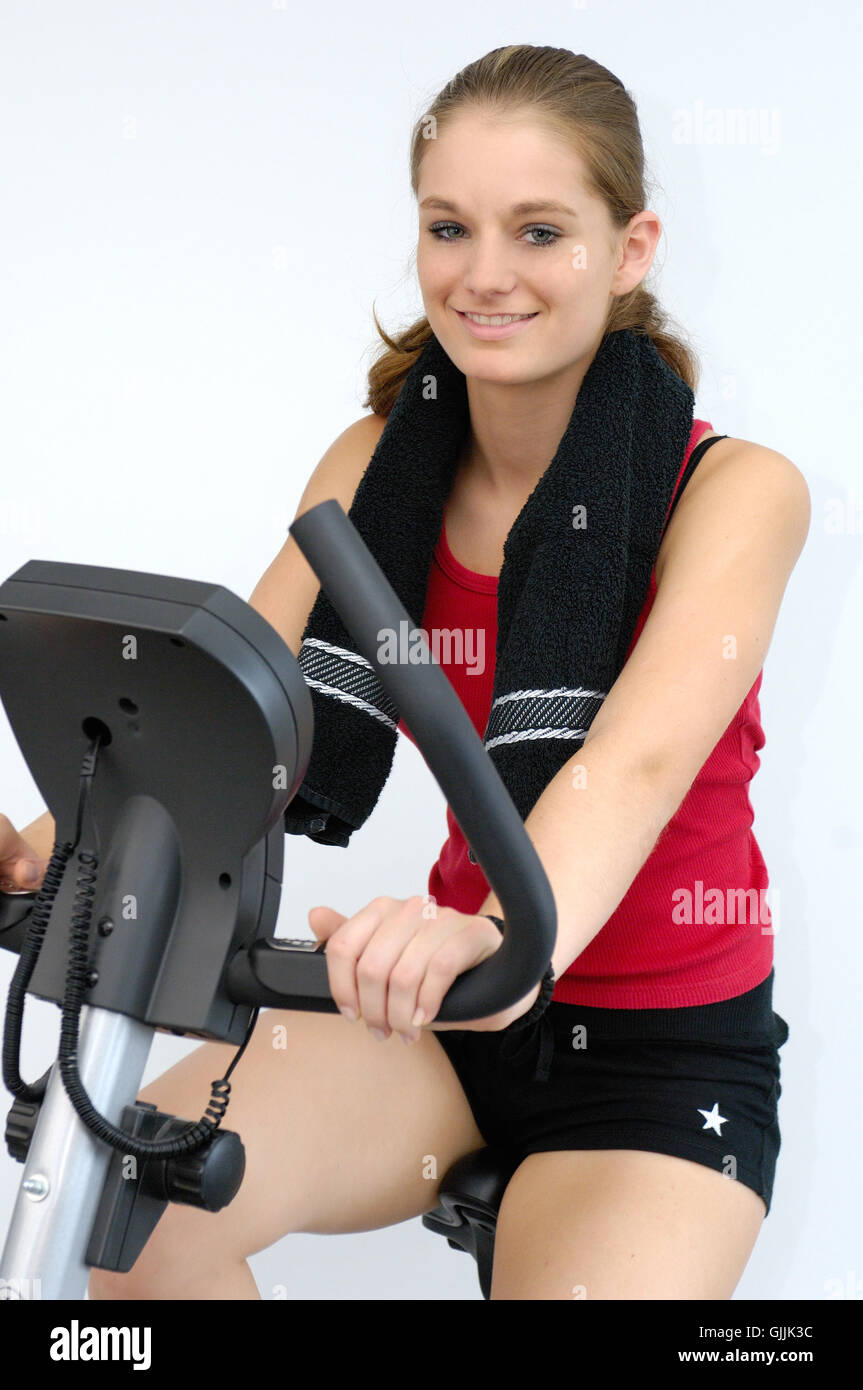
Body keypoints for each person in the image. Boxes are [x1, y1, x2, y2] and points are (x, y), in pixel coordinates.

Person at [1, 44, 809, 1300]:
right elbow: (229, 711)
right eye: (450, 227)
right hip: (438, 1021)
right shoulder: (374, 466)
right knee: (134, 1204)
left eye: (539, 231)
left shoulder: (733, 490)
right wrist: (66, 841)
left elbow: (636, 764)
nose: (484, 274)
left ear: (631, 247)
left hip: (656, 1055)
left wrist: (499, 936)